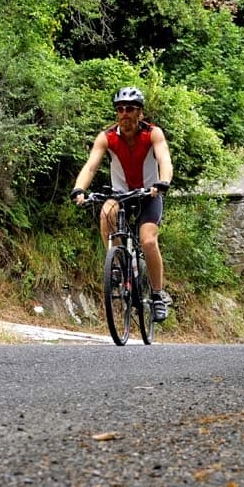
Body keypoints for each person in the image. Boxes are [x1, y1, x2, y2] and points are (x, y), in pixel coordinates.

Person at [70, 86, 173, 322]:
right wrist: (79, 189)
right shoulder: (107, 137)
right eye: (120, 109)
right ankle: (117, 263)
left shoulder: (153, 133)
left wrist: (163, 182)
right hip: (121, 194)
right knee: (107, 212)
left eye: (130, 109)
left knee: (147, 240)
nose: (124, 113)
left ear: (140, 113)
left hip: (149, 194)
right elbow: (91, 166)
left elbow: (164, 160)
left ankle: (157, 295)